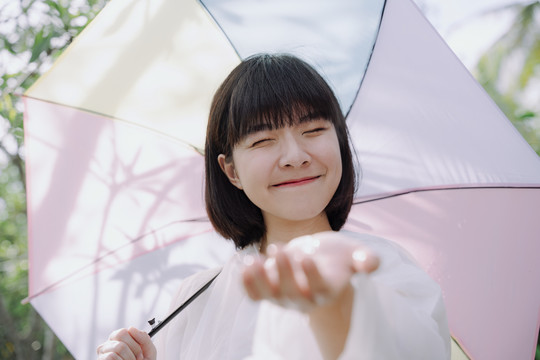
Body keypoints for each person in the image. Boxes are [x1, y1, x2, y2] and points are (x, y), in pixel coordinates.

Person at [97, 53, 450, 360]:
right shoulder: (196, 297)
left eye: (313, 130)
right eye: (264, 140)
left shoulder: (383, 267)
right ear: (231, 170)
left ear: (340, 142)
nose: (295, 157)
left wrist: (341, 314)